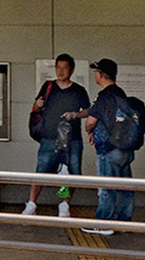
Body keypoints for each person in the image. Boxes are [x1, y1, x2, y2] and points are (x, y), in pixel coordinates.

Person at [23, 54, 90, 217]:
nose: (60, 71)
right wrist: (37, 105)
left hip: (72, 138)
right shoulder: (48, 86)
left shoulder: (79, 90)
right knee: (40, 171)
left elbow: (88, 111)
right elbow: (36, 107)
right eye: (58, 67)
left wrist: (74, 115)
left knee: (71, 173)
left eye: (65, 67)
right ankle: (31, 204)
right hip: (49, 137)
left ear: (72, 70)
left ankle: (64, 204)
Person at [82, 57, 133, 233]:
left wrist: (89, 130)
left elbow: (90, 121)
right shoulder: (121, 93)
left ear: (101, 75)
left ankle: (104, 223)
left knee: (106, 187)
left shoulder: (103, 96)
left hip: (107, 148)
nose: (95, 75)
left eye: (96, 72)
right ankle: (124, 222)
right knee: (125, 187)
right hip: (125, 148)